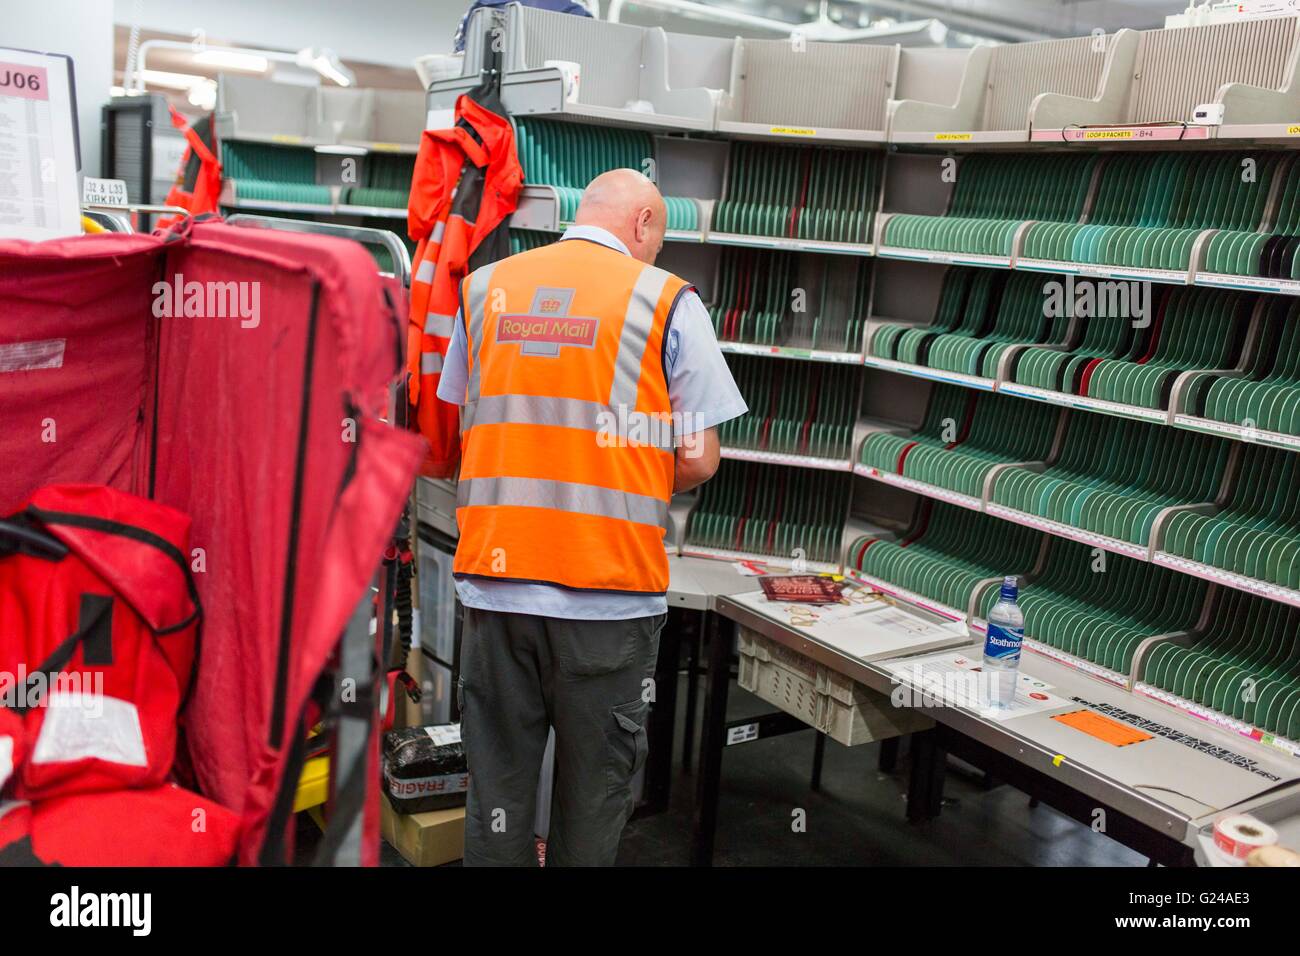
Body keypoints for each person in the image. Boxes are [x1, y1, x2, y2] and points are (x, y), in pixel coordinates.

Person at [437, 168, 747, 865]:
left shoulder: (486, 288)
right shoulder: (666, 300)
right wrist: (620, 471)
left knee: (497, 791)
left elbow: (475, 418)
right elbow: (698, 460)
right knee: (593, 796)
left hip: (496, 586)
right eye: (658, 238)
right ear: (642, 224)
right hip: (606, 596)